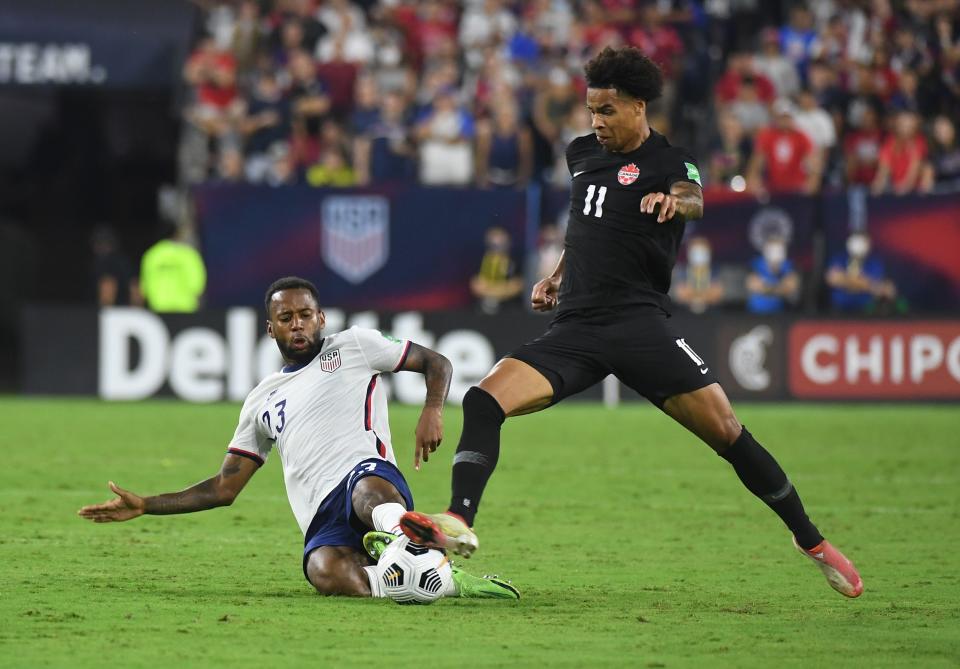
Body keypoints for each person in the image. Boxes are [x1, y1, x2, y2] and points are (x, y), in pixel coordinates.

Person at [400, 46, 863, 599]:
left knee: (730, 436)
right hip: (577, 328)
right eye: (592, 110)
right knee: (482, 401)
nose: (597, 122)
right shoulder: (580, 155)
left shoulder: (672, 161)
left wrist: (674, 203)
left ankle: (809, 540)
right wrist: (556, 275)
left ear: (639, 107)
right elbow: (584, 227)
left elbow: (692, 198)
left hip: (641, 326)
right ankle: (458, 518)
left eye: (608, 111)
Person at [78, 277, 518, 601]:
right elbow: (224, 487)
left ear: (321, 317)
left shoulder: (355, 346)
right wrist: (146, 505)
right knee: (325, 573)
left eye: (305, 315)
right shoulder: (261, 400)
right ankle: (435, 575)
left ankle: (397, 531)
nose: (298, 324)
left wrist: (433, 409)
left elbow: (436, 361)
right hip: (321, 517)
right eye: (285, 318)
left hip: (366, 474)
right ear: (271, 329)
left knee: (367, 492)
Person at [139, 223, 207, 313]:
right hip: (185, 308)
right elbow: (197, 284)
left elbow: (144, 286)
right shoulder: (189, 254)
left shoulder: (152, 255)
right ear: (176, 234)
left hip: (159, 308)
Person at [826, 231, 897, 313]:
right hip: (839, 308)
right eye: (856, 241)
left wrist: (845, 280)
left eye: (863, 241)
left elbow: (877, 285)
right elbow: (832, 279)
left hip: (866, 309)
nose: (859, 245)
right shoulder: (839, 258)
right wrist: (865, 284)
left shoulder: (875, 262)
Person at [746, 235, 799, 314]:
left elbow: (790, 288)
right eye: (772, 249)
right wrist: (779, 288)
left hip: (781, 313)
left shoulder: (789, 265)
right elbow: (753, 286)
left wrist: (765, 288)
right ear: (765, 250)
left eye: (779, 250)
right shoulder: (756, 263)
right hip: (755, 312)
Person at [672, 236, 724, 314]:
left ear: (709, 253)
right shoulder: (681, 271)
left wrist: (694, 295)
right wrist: (705, 295)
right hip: (683, 315)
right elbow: (681, 294)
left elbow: (717, 294)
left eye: (702, 252)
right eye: (696, 252)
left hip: (713, 314)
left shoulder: (716, 270)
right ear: (689, 253)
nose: (699, 255)